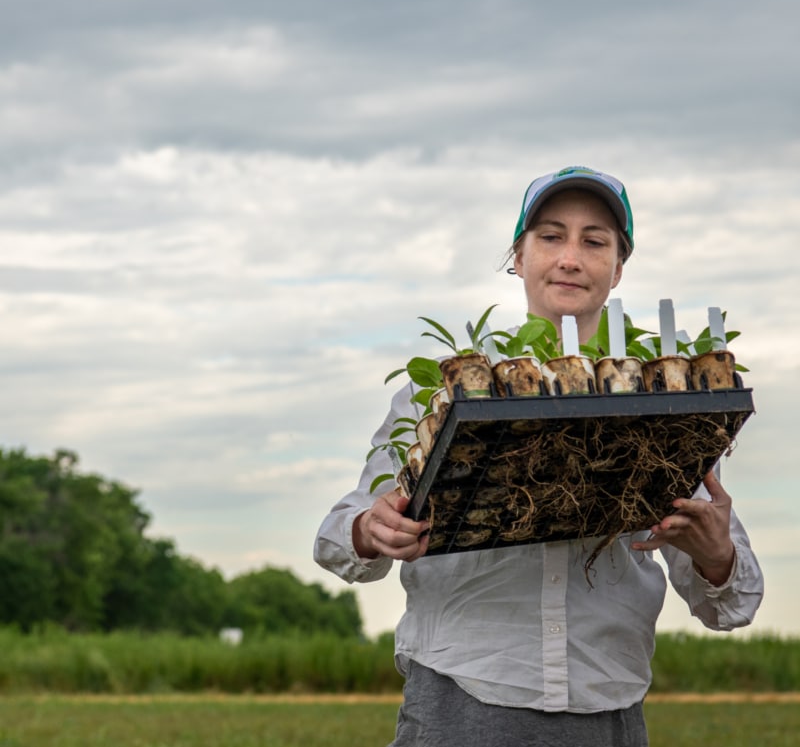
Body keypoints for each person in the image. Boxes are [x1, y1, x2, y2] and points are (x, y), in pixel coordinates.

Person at [314, 165, 763, 747]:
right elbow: (338, 537)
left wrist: (716, 553)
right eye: (550, 237)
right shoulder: (443, 394)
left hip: (609, 709)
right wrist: (371, 529)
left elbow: (732, 605)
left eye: (594, 241)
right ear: (519, 258)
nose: (570, 258)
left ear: (618, 266)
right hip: (463, 702)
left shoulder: (666, 400)